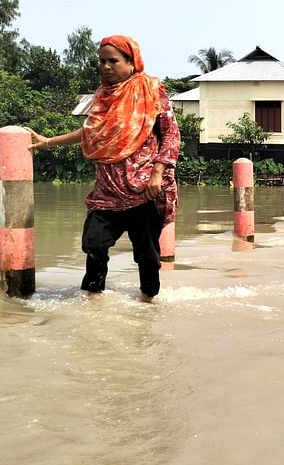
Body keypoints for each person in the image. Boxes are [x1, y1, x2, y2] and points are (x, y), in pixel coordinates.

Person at [26, 35, 180, 302]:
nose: (106, 66)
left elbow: (171, 135)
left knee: (146, 253)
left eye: (113, 61)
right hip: (107, 192)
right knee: (94, 245)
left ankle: (149, 302)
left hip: (143, 190)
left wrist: (158, 172)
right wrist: (48, 141)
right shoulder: (102, 97)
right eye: (101, 61)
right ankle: (93, 301)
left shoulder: (151, 90)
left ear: (132, 63)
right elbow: (89, 133)